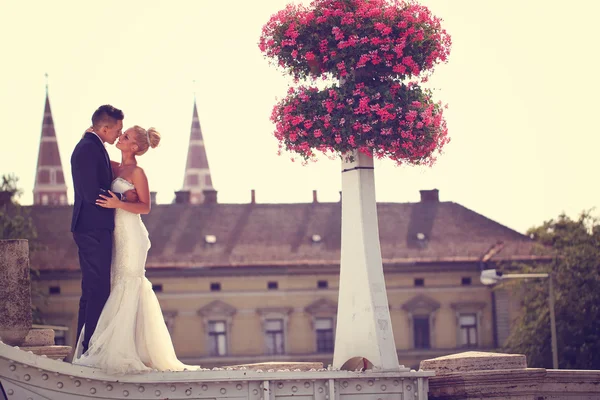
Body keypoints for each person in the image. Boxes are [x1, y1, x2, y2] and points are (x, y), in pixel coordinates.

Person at [72, 125, 199, 374]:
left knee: (128, 283)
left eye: (126, 136)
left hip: (131, 235)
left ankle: (126, 351)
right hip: (115, 234)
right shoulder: (114, 167)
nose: (120, 137)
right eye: (122, 133)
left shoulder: (137, 172)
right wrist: (87, 136)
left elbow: (145, 207)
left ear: (135, 148)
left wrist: (118, 202)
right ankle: (118, 345)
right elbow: (91, 154)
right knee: (115, 282)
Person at [71, 105, 138, 356]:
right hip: (92, 227)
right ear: (105, 128)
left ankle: (85, 345)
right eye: (118, 130)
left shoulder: (92, 145)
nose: (118, 134)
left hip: (92, 226)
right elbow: (90, 192)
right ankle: (91, 348)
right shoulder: (88, 148)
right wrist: (120, 197)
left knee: (92, 287)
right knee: (98, 287)